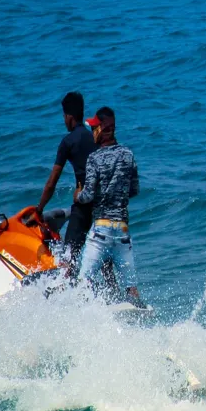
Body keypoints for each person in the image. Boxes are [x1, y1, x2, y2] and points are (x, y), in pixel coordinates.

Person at [75, 107, 142, 304]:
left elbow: (87, 195)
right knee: (131, 287)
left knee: (83, 281)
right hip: (122, 231)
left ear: (101, 130)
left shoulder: (94, 158)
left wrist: (78, 195)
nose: (91, 132)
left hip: (101, 232)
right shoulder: (128, 155)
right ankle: (136, 315)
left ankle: (84, 314)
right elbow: (134, 190)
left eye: (94, 128)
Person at [36, 91, 97, 271]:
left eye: (64, 116)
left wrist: (39, 210)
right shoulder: (94, 137)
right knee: (104, 260)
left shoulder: (68, 142)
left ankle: (66, 296)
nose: (64, 120)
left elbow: (52, 182)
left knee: (68, 259)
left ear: (69, 116)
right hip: (101, 205)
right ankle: (115, 296)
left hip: (83, 206)